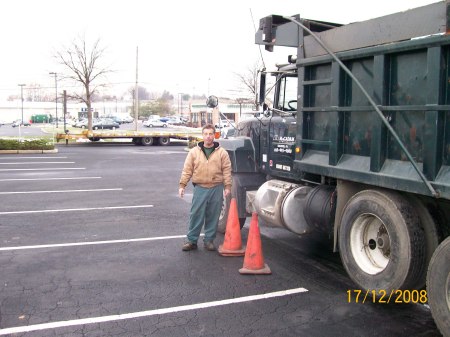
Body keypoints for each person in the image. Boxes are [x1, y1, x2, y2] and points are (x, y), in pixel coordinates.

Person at [179, 124, 232, 251]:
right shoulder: (194, 152)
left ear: (214, 135)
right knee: (196, 214)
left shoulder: (222, 153)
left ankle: (209, 240)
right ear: (202, 135)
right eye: (206, 134)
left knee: (213, 215)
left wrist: (227, 186)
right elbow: (187, 170)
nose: (208, 137)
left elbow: (227, 170)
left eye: (210, 134)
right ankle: (192, 241)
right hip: (200, 188)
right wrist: (182, 185)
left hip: (216, 188)